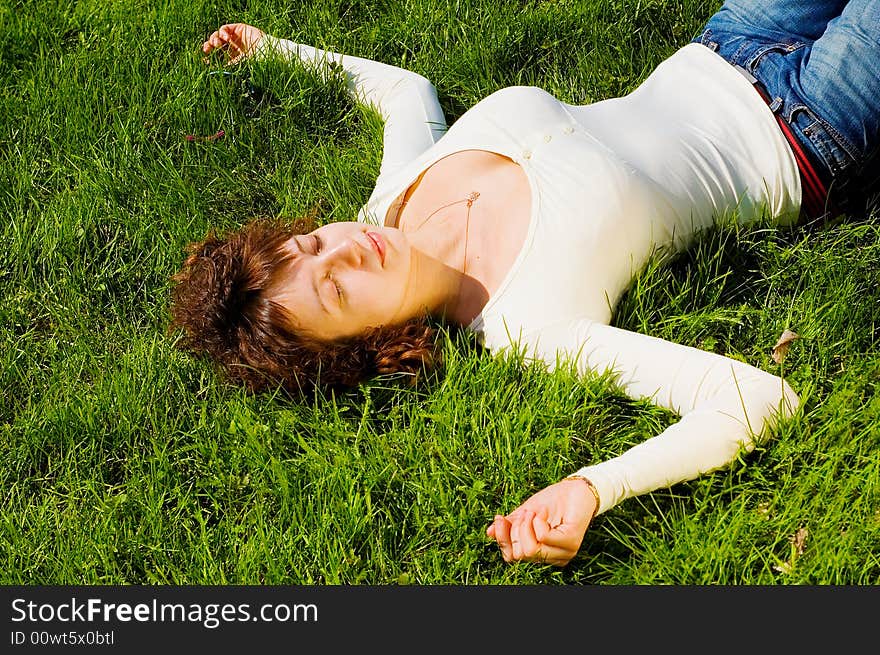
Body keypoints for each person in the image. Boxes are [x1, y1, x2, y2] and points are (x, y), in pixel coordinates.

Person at [171, 1, 880, 567]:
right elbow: (758, 398)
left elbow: (404, 92)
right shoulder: (528, 323)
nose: (348, 248)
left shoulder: (387, 203)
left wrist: (277, 50)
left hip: (726, 42)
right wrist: (593, 486)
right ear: (368, 346)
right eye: (334, 289)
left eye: (312, 242)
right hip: (808, 127)